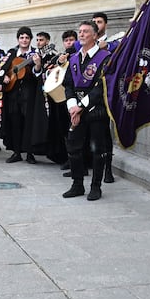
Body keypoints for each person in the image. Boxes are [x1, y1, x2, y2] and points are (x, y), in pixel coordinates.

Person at [62, 20, 112, 201]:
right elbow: (68, 84)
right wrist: (72, 107)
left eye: (85, 32)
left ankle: (96, 187)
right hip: (76, 109)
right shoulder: (74, 58)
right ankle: (77, 185)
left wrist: (80, 108)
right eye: (80, 31)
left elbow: (101, 87)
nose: (81, 34)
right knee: (73, 147)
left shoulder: (105, 57)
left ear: (95, 35)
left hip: (95, 110)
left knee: (97, 149)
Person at [0, 26, 43, 164]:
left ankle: (30, 153)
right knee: (15, 122)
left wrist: (37, 66)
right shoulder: (11, 53)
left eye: (27, 37)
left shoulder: (36, 53)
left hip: (29, 92)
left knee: (28, 122)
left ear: (30, 39)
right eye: (21, 37)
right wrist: (5, 77)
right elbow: (1, 69)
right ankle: (16, 152)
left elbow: (38, 74)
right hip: (13, 93)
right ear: (18, 39)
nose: (24, 40)